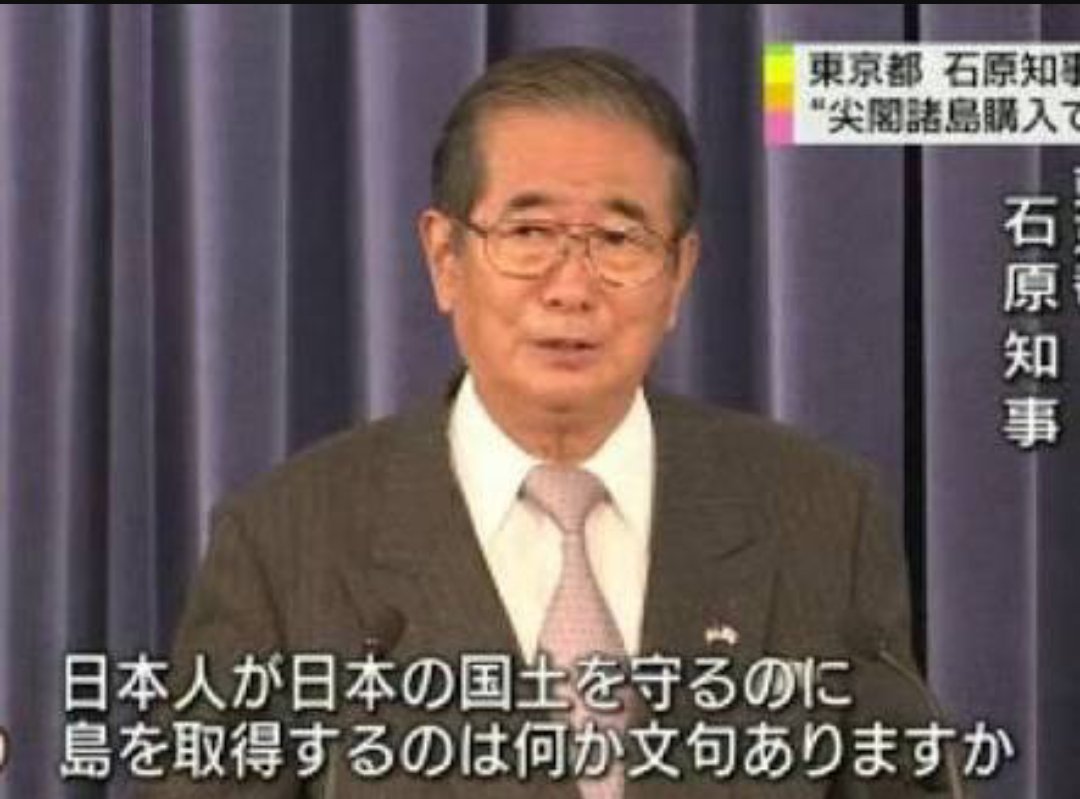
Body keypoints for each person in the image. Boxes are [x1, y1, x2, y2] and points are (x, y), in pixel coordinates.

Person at [138, 47, 935, 798]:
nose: (571, 288)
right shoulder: (287, 544)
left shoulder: (821, 516)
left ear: (678, 274)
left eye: (618, 239)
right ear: (444, 258)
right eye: (527, 234)